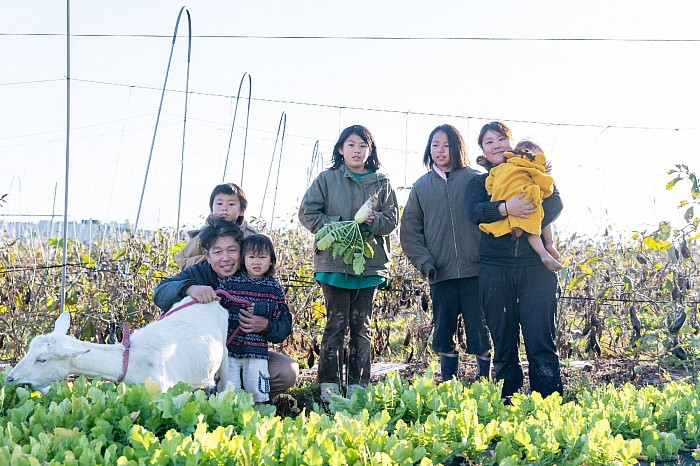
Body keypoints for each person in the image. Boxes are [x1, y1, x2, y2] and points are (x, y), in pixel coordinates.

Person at [298, 124, 398, 402]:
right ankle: (328, 385)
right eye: (351, 145)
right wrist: (339, 227)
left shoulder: (381, 182)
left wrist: (373, 221)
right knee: (335, 323)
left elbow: (391, 221)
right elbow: (307, 213)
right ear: (341, 149)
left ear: (370, 150)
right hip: (333, 263)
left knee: (361, 324)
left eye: (362, 146)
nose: (357, 150)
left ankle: (358, 384)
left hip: (368, 264)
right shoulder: (327, 179)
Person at [465, 121, 564, 401]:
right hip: (496, 267)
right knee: (503, 340)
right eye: (488, 141)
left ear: (511, 143)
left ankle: (548, 400)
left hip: (536, 268)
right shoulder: (478, 181)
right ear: (482, 149)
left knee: (540, 338)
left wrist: (525, 218)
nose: (496, 145)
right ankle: (509, 400)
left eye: (500, 139)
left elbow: (555, 203)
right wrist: (508, 208)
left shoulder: (530, 171)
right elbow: (475, 211)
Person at [153, 217, 298, 400]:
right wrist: (190, 288)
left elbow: (285, 323)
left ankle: (251, 401)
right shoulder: (200, 273)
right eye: (218, 252)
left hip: (249, 352)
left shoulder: (256, 274)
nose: (226, 258)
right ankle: (213, 398)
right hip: (206, 355)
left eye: (232, 250)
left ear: (242, 252)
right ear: (207, 256)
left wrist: (266, 325)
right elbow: (160, 293)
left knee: (287, 370)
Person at [400, 124, 492, 382]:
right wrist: (425, 262)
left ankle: (483, 381)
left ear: (457, 147)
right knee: (443, 331)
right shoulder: (421, 187)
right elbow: (410, 232)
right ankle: (448, 383)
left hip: (477, 271)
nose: (440, 151)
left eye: (446, 145)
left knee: (479, 330)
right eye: (435, 145)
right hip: (440, 273)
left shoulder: (475, 179)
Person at [217, 234, 289, 404]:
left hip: (256, 350)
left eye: (262, 257)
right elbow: (218, 303)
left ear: (271, 260)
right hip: (230, 349)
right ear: (243, 259)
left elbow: (280, 311)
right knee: (228, 389)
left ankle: (257, 419)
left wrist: (261, 308)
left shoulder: (273, 288)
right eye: (251, 257)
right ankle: (227, 418)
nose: (257, 262)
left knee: (257, 389)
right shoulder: (230, 283)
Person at [480, 138, 562, 271]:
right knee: (533, 227)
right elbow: (547, 186)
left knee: (536, 224)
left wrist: (494, 191)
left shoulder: (504, 168)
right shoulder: (531, 169)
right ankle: (545, 251)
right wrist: (545, 173)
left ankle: (547, 247)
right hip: (525, 203)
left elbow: (489, 184)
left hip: (520, 203)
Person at [174, 183, 258, 270]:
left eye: (231, 204)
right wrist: (210, 258)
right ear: (211, 209)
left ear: (241, 211)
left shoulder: (251, 236)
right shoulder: (204, 235)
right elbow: (182, 260)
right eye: (219, 203)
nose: (224, 208)